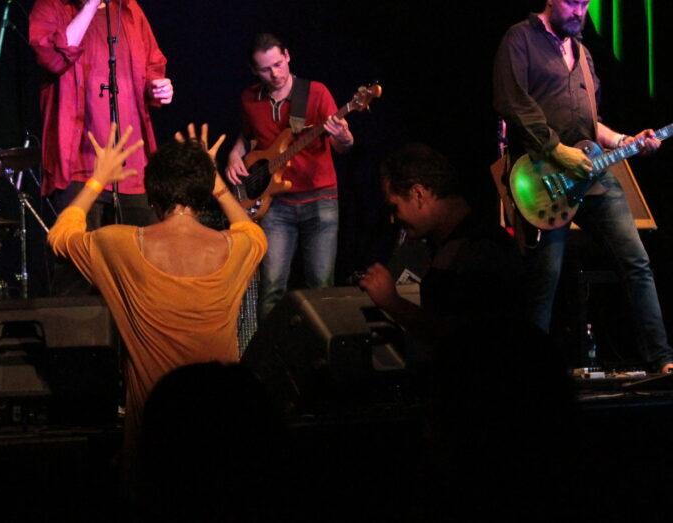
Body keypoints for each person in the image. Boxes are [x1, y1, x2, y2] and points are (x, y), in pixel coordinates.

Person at [493, 0, 673, 373]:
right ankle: (528, 376)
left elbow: (593, 126)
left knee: (637, 262)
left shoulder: (585, 53)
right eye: (572, 3)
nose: (580, 12)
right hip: (543, 178)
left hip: (592, 178)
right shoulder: (520, 39)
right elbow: (512, 104)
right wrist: (557, 151)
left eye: (586, 3)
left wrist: (627, 142)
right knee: (545, 283)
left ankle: (662, 361)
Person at [47, 123, 267, 452]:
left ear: (151, 197)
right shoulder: (238, 248)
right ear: (203, 192)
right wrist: (216, 184)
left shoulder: (118, 245)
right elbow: (251, 231)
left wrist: (98, 178)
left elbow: (60, 237)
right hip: (223, 434)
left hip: (153, 444)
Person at [29, 0, 173, 229]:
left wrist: (159, 88)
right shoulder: (49, 8)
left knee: (139, 265)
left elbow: (153, 66)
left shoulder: (130, 10)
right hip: (78, 168)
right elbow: (53, 58)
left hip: (132, 167)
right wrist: (92, 5)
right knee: (78, 268)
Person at [225, 33, 353, 320]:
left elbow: (344, 147)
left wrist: (344, 136)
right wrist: (235, 153)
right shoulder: (249, 98)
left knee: (321, 286)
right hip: (276, 205)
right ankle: (269, 356)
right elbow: (247, 136)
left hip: (320, 200)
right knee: (271, 288)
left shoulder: (316, 92)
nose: (275, 73)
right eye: (265, 69)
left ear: (287, 56)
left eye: (278, 64)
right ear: (254, 71)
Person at [358, 143, 525, 340]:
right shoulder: (463, 243)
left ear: (418, 194)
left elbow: (465, 339)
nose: (393, 219)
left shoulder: (479, 252)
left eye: (395, 207)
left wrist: (393, 303)